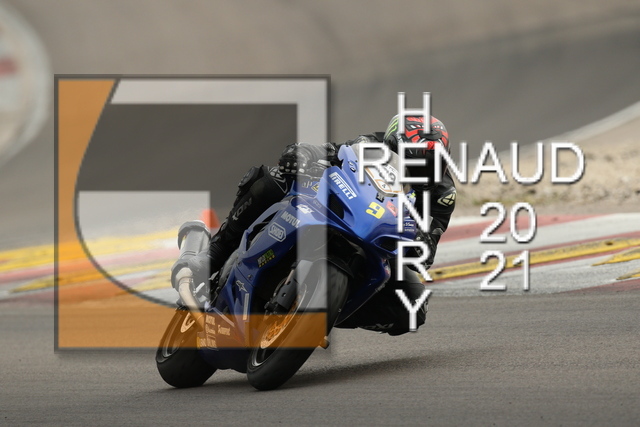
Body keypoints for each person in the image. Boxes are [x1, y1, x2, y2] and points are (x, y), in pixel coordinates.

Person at [171, 114, 457, 335]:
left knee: (413, 307)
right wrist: (304, 154)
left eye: (432, 163)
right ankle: (213, 255)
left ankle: (326, 310)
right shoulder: (372, 144)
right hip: (340, 209)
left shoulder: (443, 195)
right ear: (394, 146)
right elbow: (332, 152)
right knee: (272, 179)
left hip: (381, 242)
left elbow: (428, 247)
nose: (423, 170)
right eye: (416, 160)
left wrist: (421, 246)